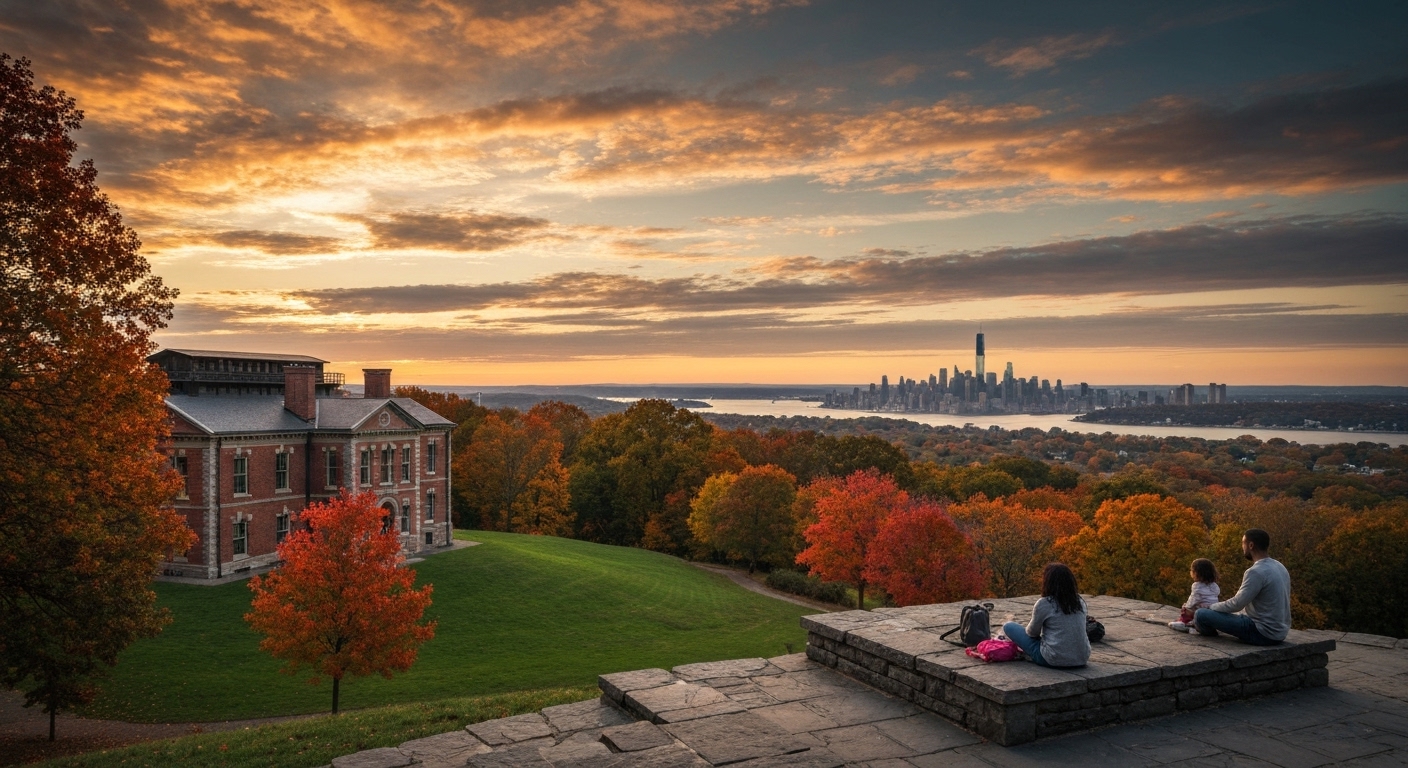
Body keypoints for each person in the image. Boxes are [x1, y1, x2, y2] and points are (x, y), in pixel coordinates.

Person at [1194, 528, 1290, 645]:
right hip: (1280, 632)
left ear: (1250, 545)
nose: (1242, 547)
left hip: (1261, 632)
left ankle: (1207, 633)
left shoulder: (1255, 572)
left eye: (1243, 543)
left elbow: (1236, 604)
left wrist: (1210, 607)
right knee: (1218, 613)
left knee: (1201, 614)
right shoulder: (1280, 566)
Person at [1002, 563, 1090, 668]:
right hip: (1082, 658)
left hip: (1053, 659)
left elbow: (1032, 633)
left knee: (1009, 626)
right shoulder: (1080, 602)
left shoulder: (1044, 603)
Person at [1169, 558, 1220, 632]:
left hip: (1201, 610)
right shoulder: (1214, 585)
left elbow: (1194, 599)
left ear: (1196, 573)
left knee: (1186, 609)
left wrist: (1186, 606)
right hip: (1212, 609)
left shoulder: (1197, 586)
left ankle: (1184, 622)